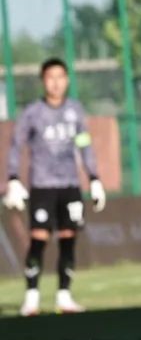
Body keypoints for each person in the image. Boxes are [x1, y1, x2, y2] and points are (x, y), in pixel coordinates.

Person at [3, 57, 106, 316]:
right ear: (43, 81)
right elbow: (16, 146)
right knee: (38, 239)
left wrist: (94, 179)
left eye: (61, 77)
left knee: (69, 240)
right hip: (42, 186)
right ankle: (32, 298)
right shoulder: (32, 113)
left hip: (70, 185)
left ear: (67, 80)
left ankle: (64, 296)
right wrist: (13, 179)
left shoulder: (75, 111)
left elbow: (84, 145)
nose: (56, 83)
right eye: (51, 77)